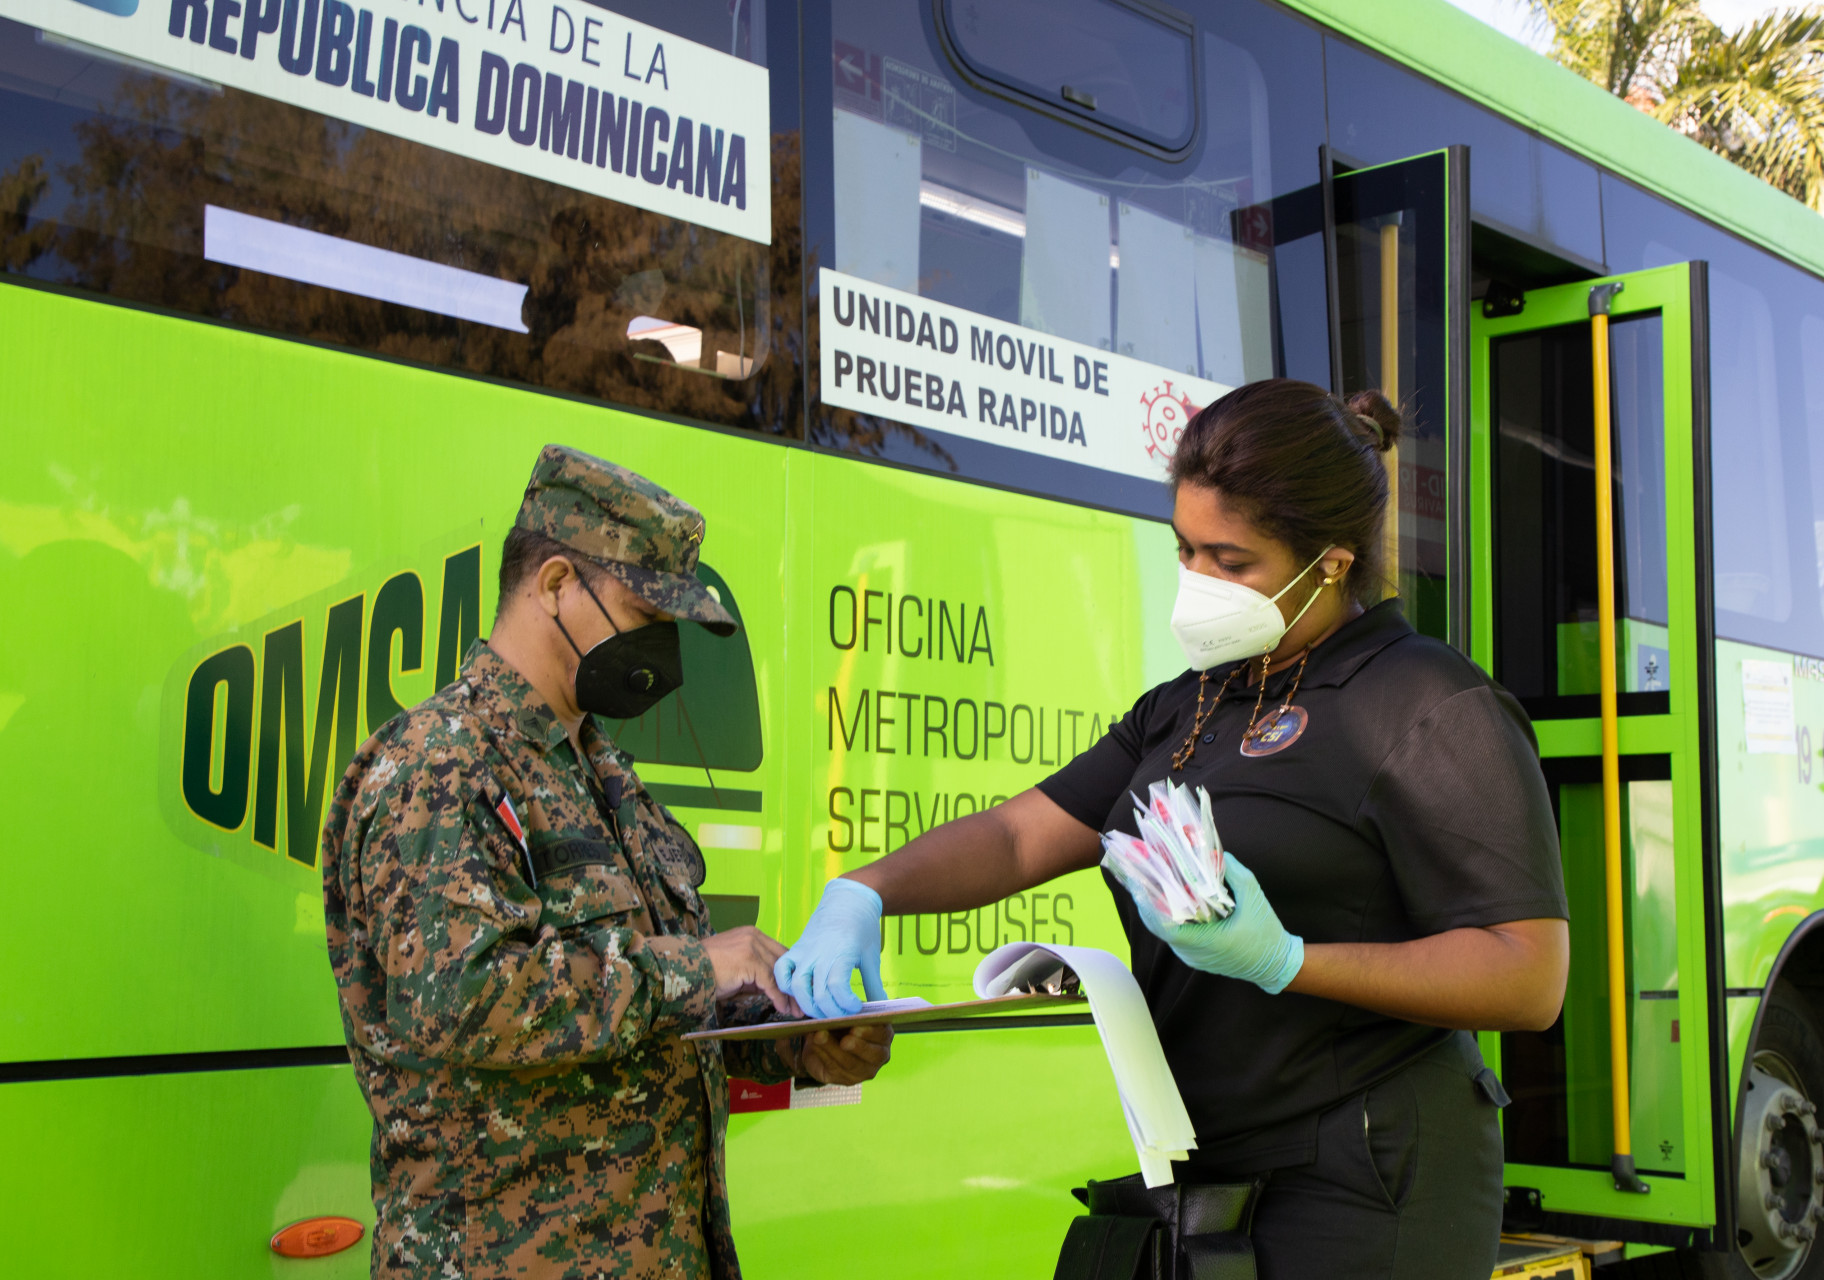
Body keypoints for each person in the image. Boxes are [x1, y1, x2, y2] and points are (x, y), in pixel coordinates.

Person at [774, 381, 1570, 1279]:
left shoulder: (1429, 703)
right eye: (1186, 550)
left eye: (1232, 561)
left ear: (1332, 563)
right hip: (1209, 1161)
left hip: (1369, 1171)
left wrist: (1287, 961)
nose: (1198, 582)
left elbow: (1527, 975)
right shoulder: (1191, 704)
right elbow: (1020, 837)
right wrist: (864, 892)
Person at [322, 444, 892, 1280]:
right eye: (644, 612)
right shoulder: (439, 767)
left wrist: (797, 1041)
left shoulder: (604, 775)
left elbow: (654, 1022)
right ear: (555, 584)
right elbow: (460, 1001)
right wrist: (702, 965)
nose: (661, 646)